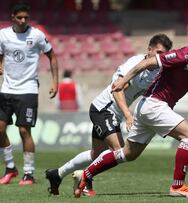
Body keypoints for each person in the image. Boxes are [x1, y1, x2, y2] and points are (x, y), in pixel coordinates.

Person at [72, 19, 188, 199]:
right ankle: (178, 186)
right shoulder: (180, 56)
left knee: (128, 154)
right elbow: (146, 63)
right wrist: (123, 80)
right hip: (154, 105)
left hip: (148, 107)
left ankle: (86, 174)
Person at [45, 34, 173, 196]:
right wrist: (128, 115)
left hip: (114, 114)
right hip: (104, 109)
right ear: (149, 50)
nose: (161, 57)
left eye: (165, 54)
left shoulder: (158, 71)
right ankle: (84, 177)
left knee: (95, 154)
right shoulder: (134, 64)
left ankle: (57, 174)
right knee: (119, 151)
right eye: (159, 52)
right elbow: (117, 89)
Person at [0, 2, 59, 185]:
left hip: (28, 90)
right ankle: (10, 168)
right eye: (20, 17)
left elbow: (52, 56)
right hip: (6, 89)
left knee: (24, 130)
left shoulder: (37, 35)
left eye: (26, 17)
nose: (23, 20)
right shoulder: (3, 35)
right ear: (13, 17)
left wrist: (55, 82)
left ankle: (29, 173)